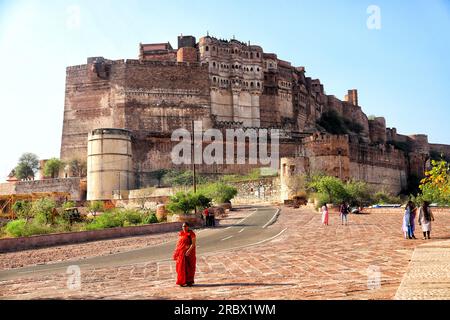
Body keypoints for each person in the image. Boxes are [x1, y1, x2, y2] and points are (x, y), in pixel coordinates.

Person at [173, 222, 197, 287]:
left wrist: (188, 251)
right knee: (181, 267)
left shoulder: (191, 234)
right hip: (181, 253)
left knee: (189, 267)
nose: (184, 227)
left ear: (188, 227)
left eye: (185, 226)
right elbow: (179, 244)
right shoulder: (181, 234)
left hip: (189, 254)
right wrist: (176, 252)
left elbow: (193, 244)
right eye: (183, 226)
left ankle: (189, 281)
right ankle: (182, 281)